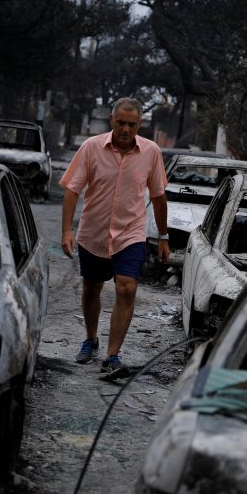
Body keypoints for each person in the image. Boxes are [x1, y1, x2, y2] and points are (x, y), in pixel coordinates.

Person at [59, 97, 170, 380]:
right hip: (93, 232)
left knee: (127, 288)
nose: (125, 129)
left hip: (131, 233)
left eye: (132, 124)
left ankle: (112, 355)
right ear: (111, 120)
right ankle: (91, 339)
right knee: (92, 287)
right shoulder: (91, 148)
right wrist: (67, 231)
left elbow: (158, 195)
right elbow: (72, 189)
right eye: (120, 122)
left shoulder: (151, 152)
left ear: (139, 125)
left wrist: (164, 236)